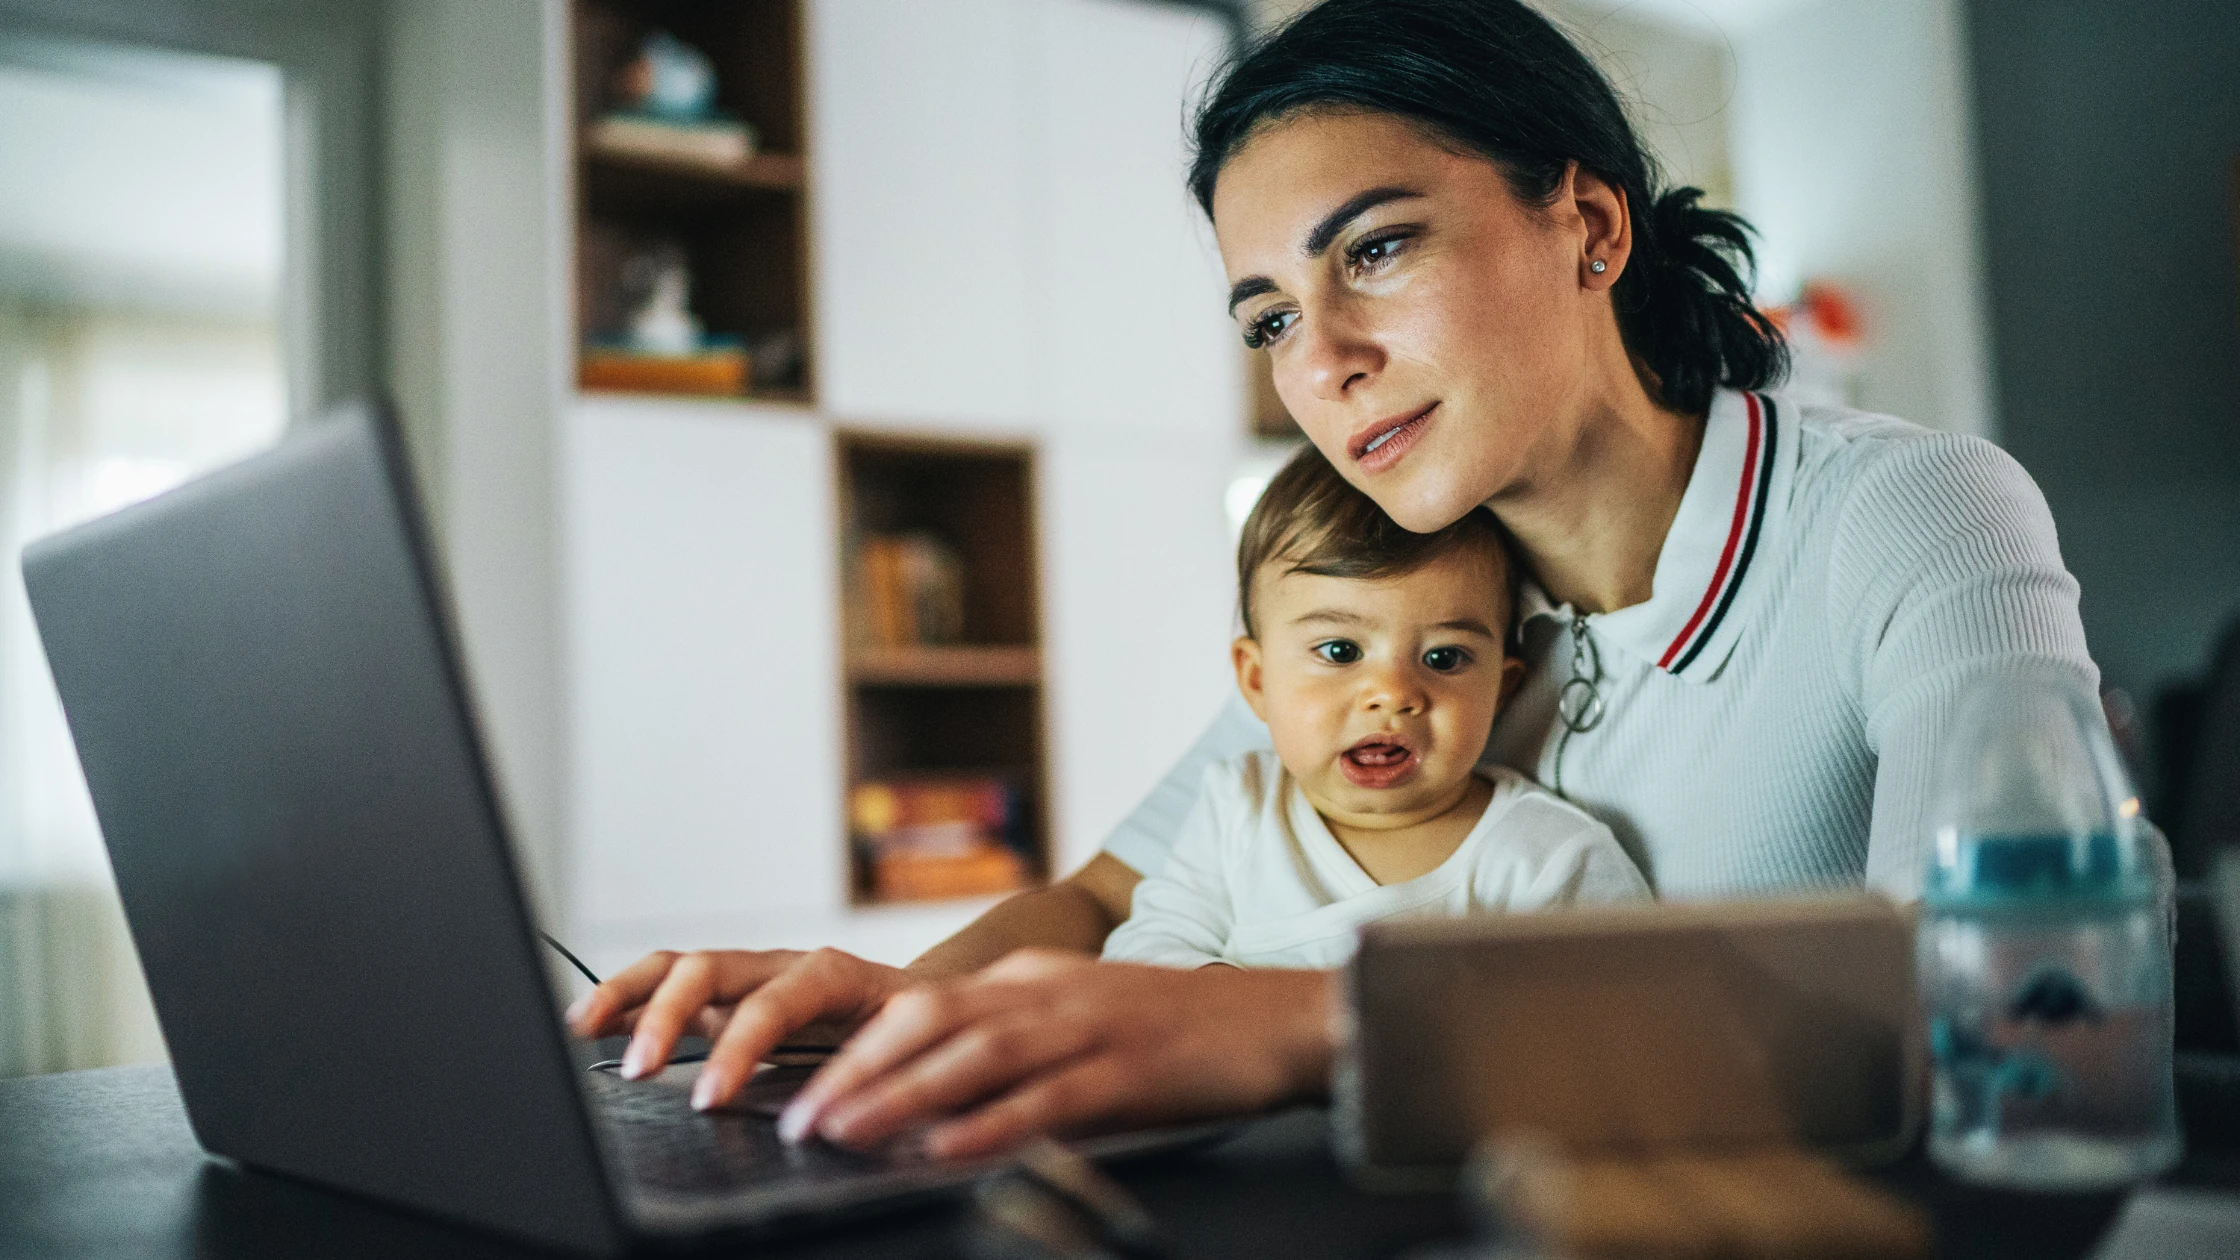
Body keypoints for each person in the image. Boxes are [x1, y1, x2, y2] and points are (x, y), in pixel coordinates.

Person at [568, 0, 2094, 1161]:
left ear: (1590, 223)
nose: (1325, 362)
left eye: (1372, 253)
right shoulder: (1408, 605)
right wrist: (889, 1007)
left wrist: (1315, 1021)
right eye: (1266, 320)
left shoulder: (1913, 517)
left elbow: (2029, 1007)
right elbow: (1106, 899)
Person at [1104, 447, 1647, 970]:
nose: (1392, 693)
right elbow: (1149, 949)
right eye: (1341, 651)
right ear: (1257, 679)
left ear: (1501, 690)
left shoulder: (1547, 858)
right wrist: (1220, 999)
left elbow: (1631, 1023)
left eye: (1444, 656)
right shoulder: (1239, 809)